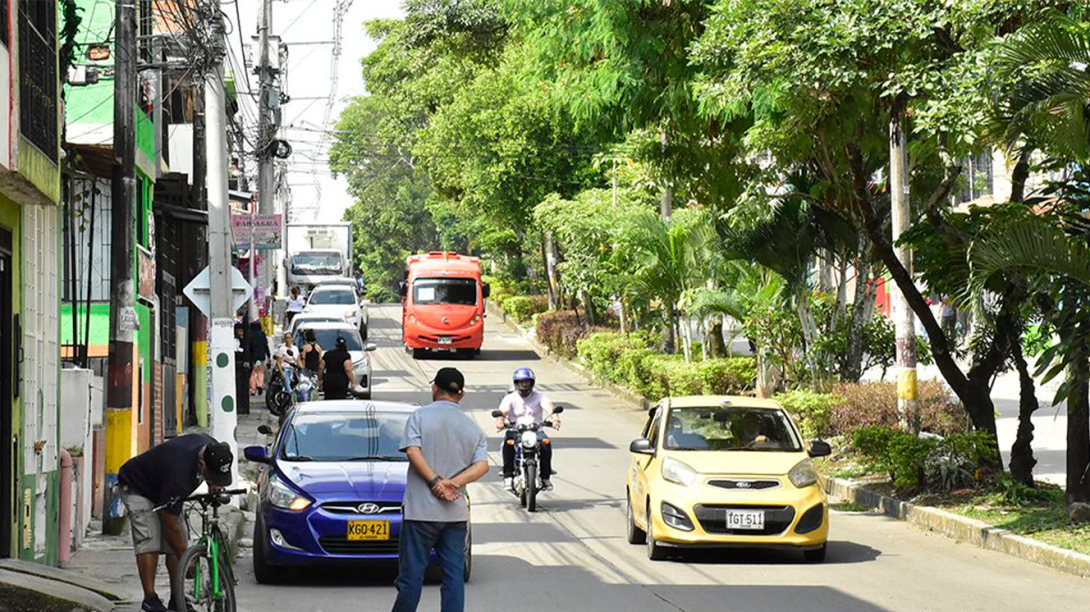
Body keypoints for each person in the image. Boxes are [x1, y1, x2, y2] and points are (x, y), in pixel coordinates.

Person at [393, 368, 488, 612]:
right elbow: (482, 466)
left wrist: (435, 482)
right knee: (453, 578)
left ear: (435, 387)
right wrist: (453, 484)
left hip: (420, 514)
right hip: (454, 514)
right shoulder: (472, 428)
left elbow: (413, 451)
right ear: (462, 394)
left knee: (411, 578)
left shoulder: (419, 417)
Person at [118, 434, 234, 612]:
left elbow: (213, 472)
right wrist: (185, 559)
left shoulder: (214, 450)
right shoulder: (179, 473)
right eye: (213, 477)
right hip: (138, 487)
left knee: (179, 540)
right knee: (150, 540)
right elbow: (169, 524)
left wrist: (214, 484)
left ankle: (176, 599)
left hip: (166, 489)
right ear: (202, 465)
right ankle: (150, 599)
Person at [494, 367, 561, 491]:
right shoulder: (510, 398)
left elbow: (550, 407)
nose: (525, 385)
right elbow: (502, 412)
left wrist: (555, 418)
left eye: (527, 382)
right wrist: (500, 421)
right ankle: (508, 475)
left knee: (546, 444)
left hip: (536, 431)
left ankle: (545, 477)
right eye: (522, 382)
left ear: (532, 383)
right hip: (515, 430)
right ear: (516, 383)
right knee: (508, 443)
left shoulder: (539, 396)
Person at [234, 324, 252, 415]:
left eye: (242, 331)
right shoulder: (233, 341)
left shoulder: (245, 341)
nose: (241, 333)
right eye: (239, 331)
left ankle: (243, 407)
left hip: (243, 369)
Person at [249, 319, 270, 395]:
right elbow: (265, 346)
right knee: (260, 372)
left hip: (253, 357)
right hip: (261, 357)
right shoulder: (262, 334)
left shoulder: (250, 334)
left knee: (252, 373)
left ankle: (253, 389)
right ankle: (260, 385)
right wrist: (269, 355)